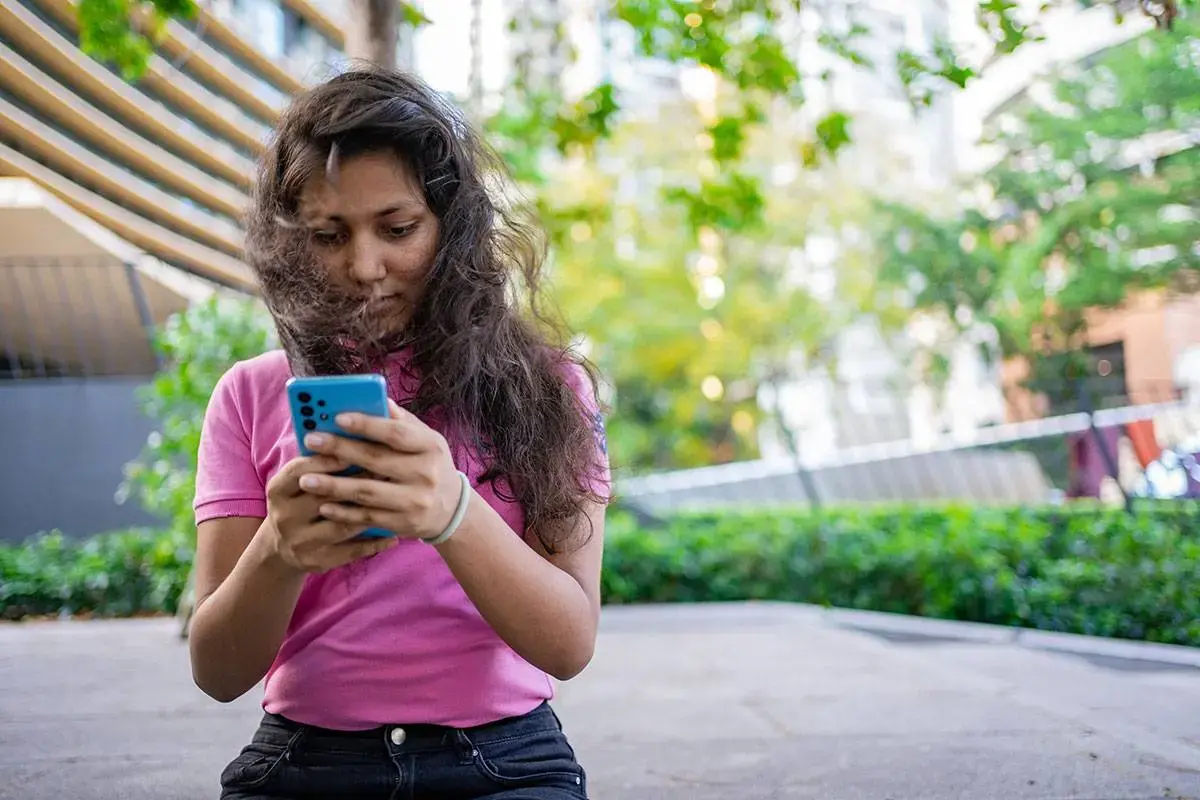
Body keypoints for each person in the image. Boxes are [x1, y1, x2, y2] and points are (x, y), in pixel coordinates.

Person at [188, 66, 611, 800]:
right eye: (328, 235)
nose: (364, 266)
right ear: (291, 242)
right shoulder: (252, 394)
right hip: (304, 757)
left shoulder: (546, 386)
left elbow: (568, 644)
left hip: (503, 759)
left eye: (398, 228)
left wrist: (451, 511)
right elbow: (218, 672)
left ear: (453, 226)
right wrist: (279, 551)